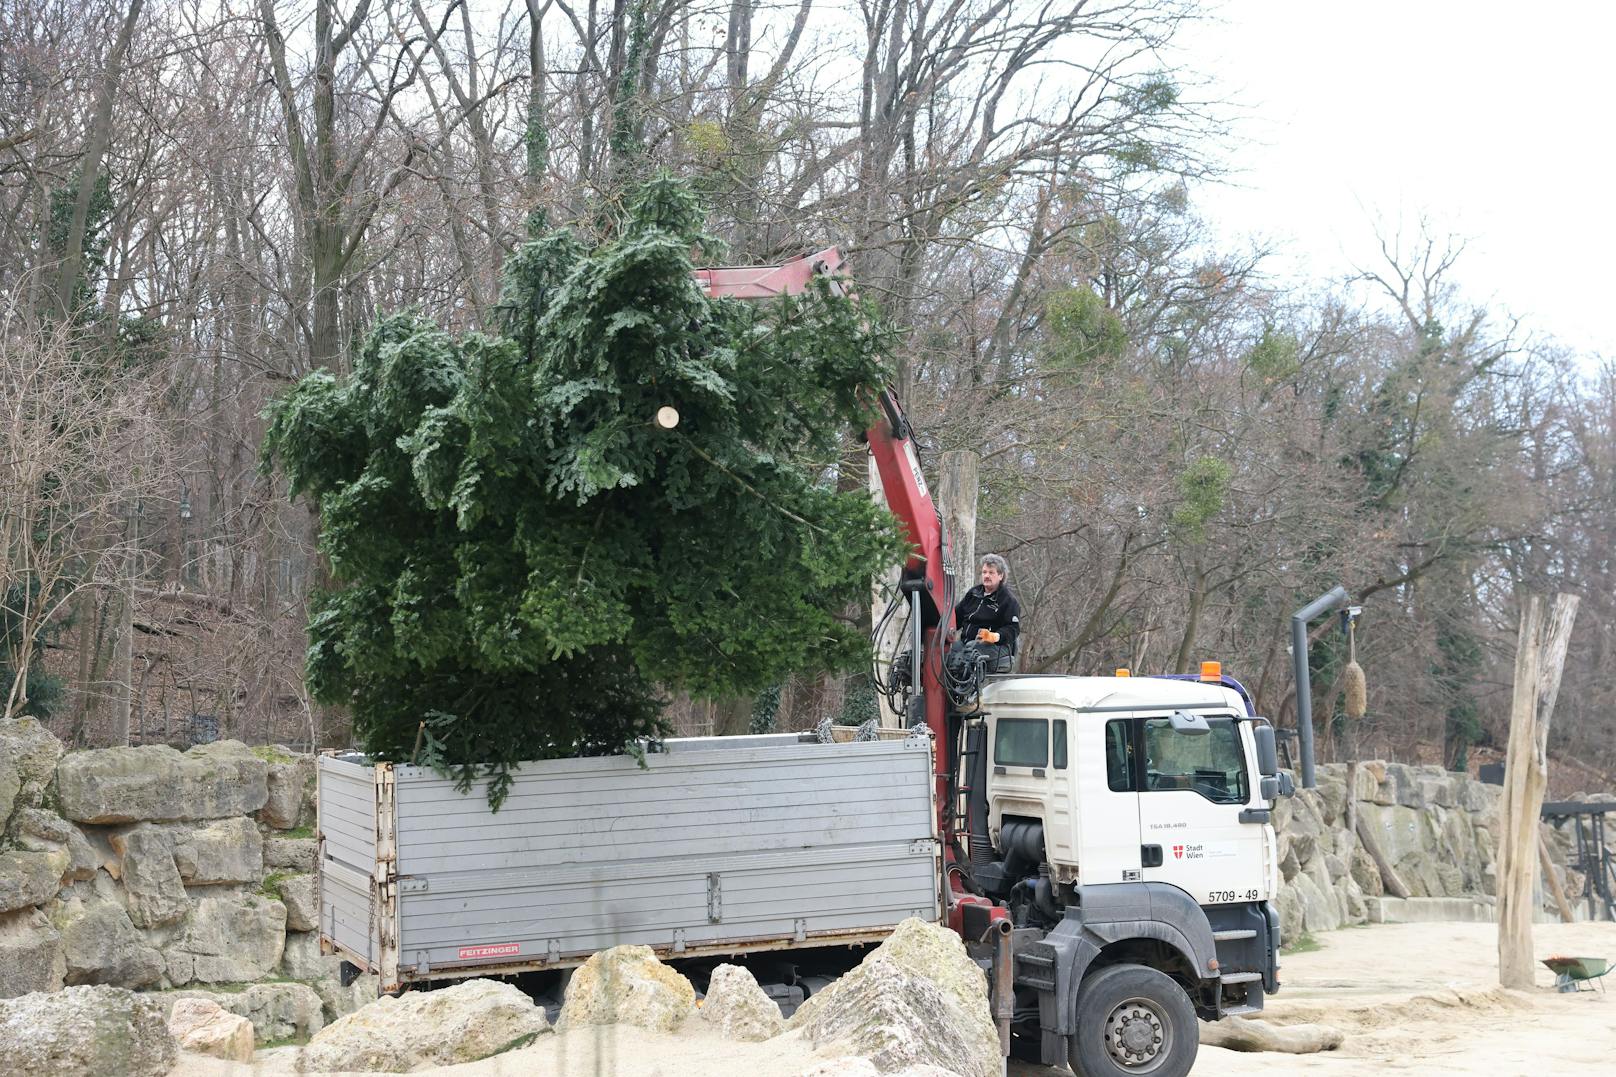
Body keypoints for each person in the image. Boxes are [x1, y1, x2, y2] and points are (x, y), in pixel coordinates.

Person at [948, 554, 1021, 691]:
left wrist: (994, 636)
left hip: (997, 646)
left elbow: (1013, 629)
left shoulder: (1008, 600)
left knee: (971, 654)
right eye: (984, 572)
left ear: (1000, 576)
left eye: (991, 572)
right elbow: (955, 617)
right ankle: (949, 697)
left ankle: (972, 699)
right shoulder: (974, 593)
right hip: (967, 641)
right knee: (948, 653)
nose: (986, 576)